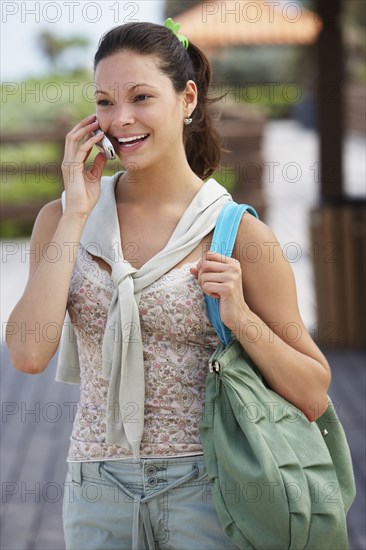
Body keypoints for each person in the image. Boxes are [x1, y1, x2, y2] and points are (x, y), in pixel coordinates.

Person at [6, 19, 332, 550]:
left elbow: (314, 392)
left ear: (186, 99)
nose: (121, 119)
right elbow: (26, 354)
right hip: (96, 492)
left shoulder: (239, 234)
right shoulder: (63, 221)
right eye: (105, 102)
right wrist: (74, 214)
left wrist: (241, 318)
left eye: (140, 97)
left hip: (210, 487)